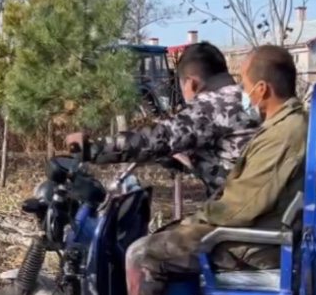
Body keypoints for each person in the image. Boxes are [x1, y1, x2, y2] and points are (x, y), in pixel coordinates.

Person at [112, 45, 307, 295]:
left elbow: (241, 205)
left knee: (141, 253)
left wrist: (197, 220)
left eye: (244, 85)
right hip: (262, 228)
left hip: (253, 239)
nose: (240, 93)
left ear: (262, 90)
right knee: (168, 236)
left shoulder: (284, 133)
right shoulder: (285, 124)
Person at [68, 41, 258, 194]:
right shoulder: (249, 98)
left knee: (149, 243)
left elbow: (156, 138)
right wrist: (188, 161)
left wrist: (92, 148)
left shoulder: (212, 105)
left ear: (190, 83)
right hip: (260, 206)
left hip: (235, 217)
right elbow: (230, 157)